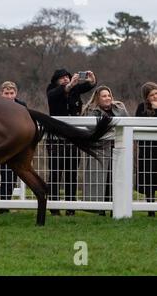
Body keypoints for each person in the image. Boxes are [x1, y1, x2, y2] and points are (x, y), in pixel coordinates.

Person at [46, 69, 97, 216]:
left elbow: (89, 86)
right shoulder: (52, 90)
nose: (65, 80)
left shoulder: (75, 90)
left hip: (73, 139)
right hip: (56, 139)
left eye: (67, 77)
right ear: (56, 81)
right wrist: (69, 86)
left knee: (71, 173)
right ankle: (54, 207)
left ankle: (70, 207)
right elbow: (54, 95)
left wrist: (92, 79)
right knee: (55, 173)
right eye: (62, 78)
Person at [82, 86, 129, 216]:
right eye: (104, 96)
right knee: (100, 179)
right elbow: (90, 128)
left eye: (109, 95)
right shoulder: (91, 111)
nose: (107, 98)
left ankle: (117, 208)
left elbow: (127, 125)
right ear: (98, 98)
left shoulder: (119, 109)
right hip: (100, 150)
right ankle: (99, 209)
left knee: (116, 179)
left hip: (118, 148)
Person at [0, 82, 27, 214]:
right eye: (6, 93)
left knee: (12, 176)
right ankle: (2, 207)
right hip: (0, 145)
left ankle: (5, 206)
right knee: (4, 176)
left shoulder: (22, 106)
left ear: (16, 93)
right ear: (1, 94)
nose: (9, 96)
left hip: (17, 145)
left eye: (11, 93)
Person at [135, 82, 157, 217]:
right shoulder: (141, 108)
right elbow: (138, 124)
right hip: (148, 149)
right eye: (151, 95)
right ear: (146, 97)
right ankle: (150, 209)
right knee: (149, 177)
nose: (155, 96)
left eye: (156, 93)